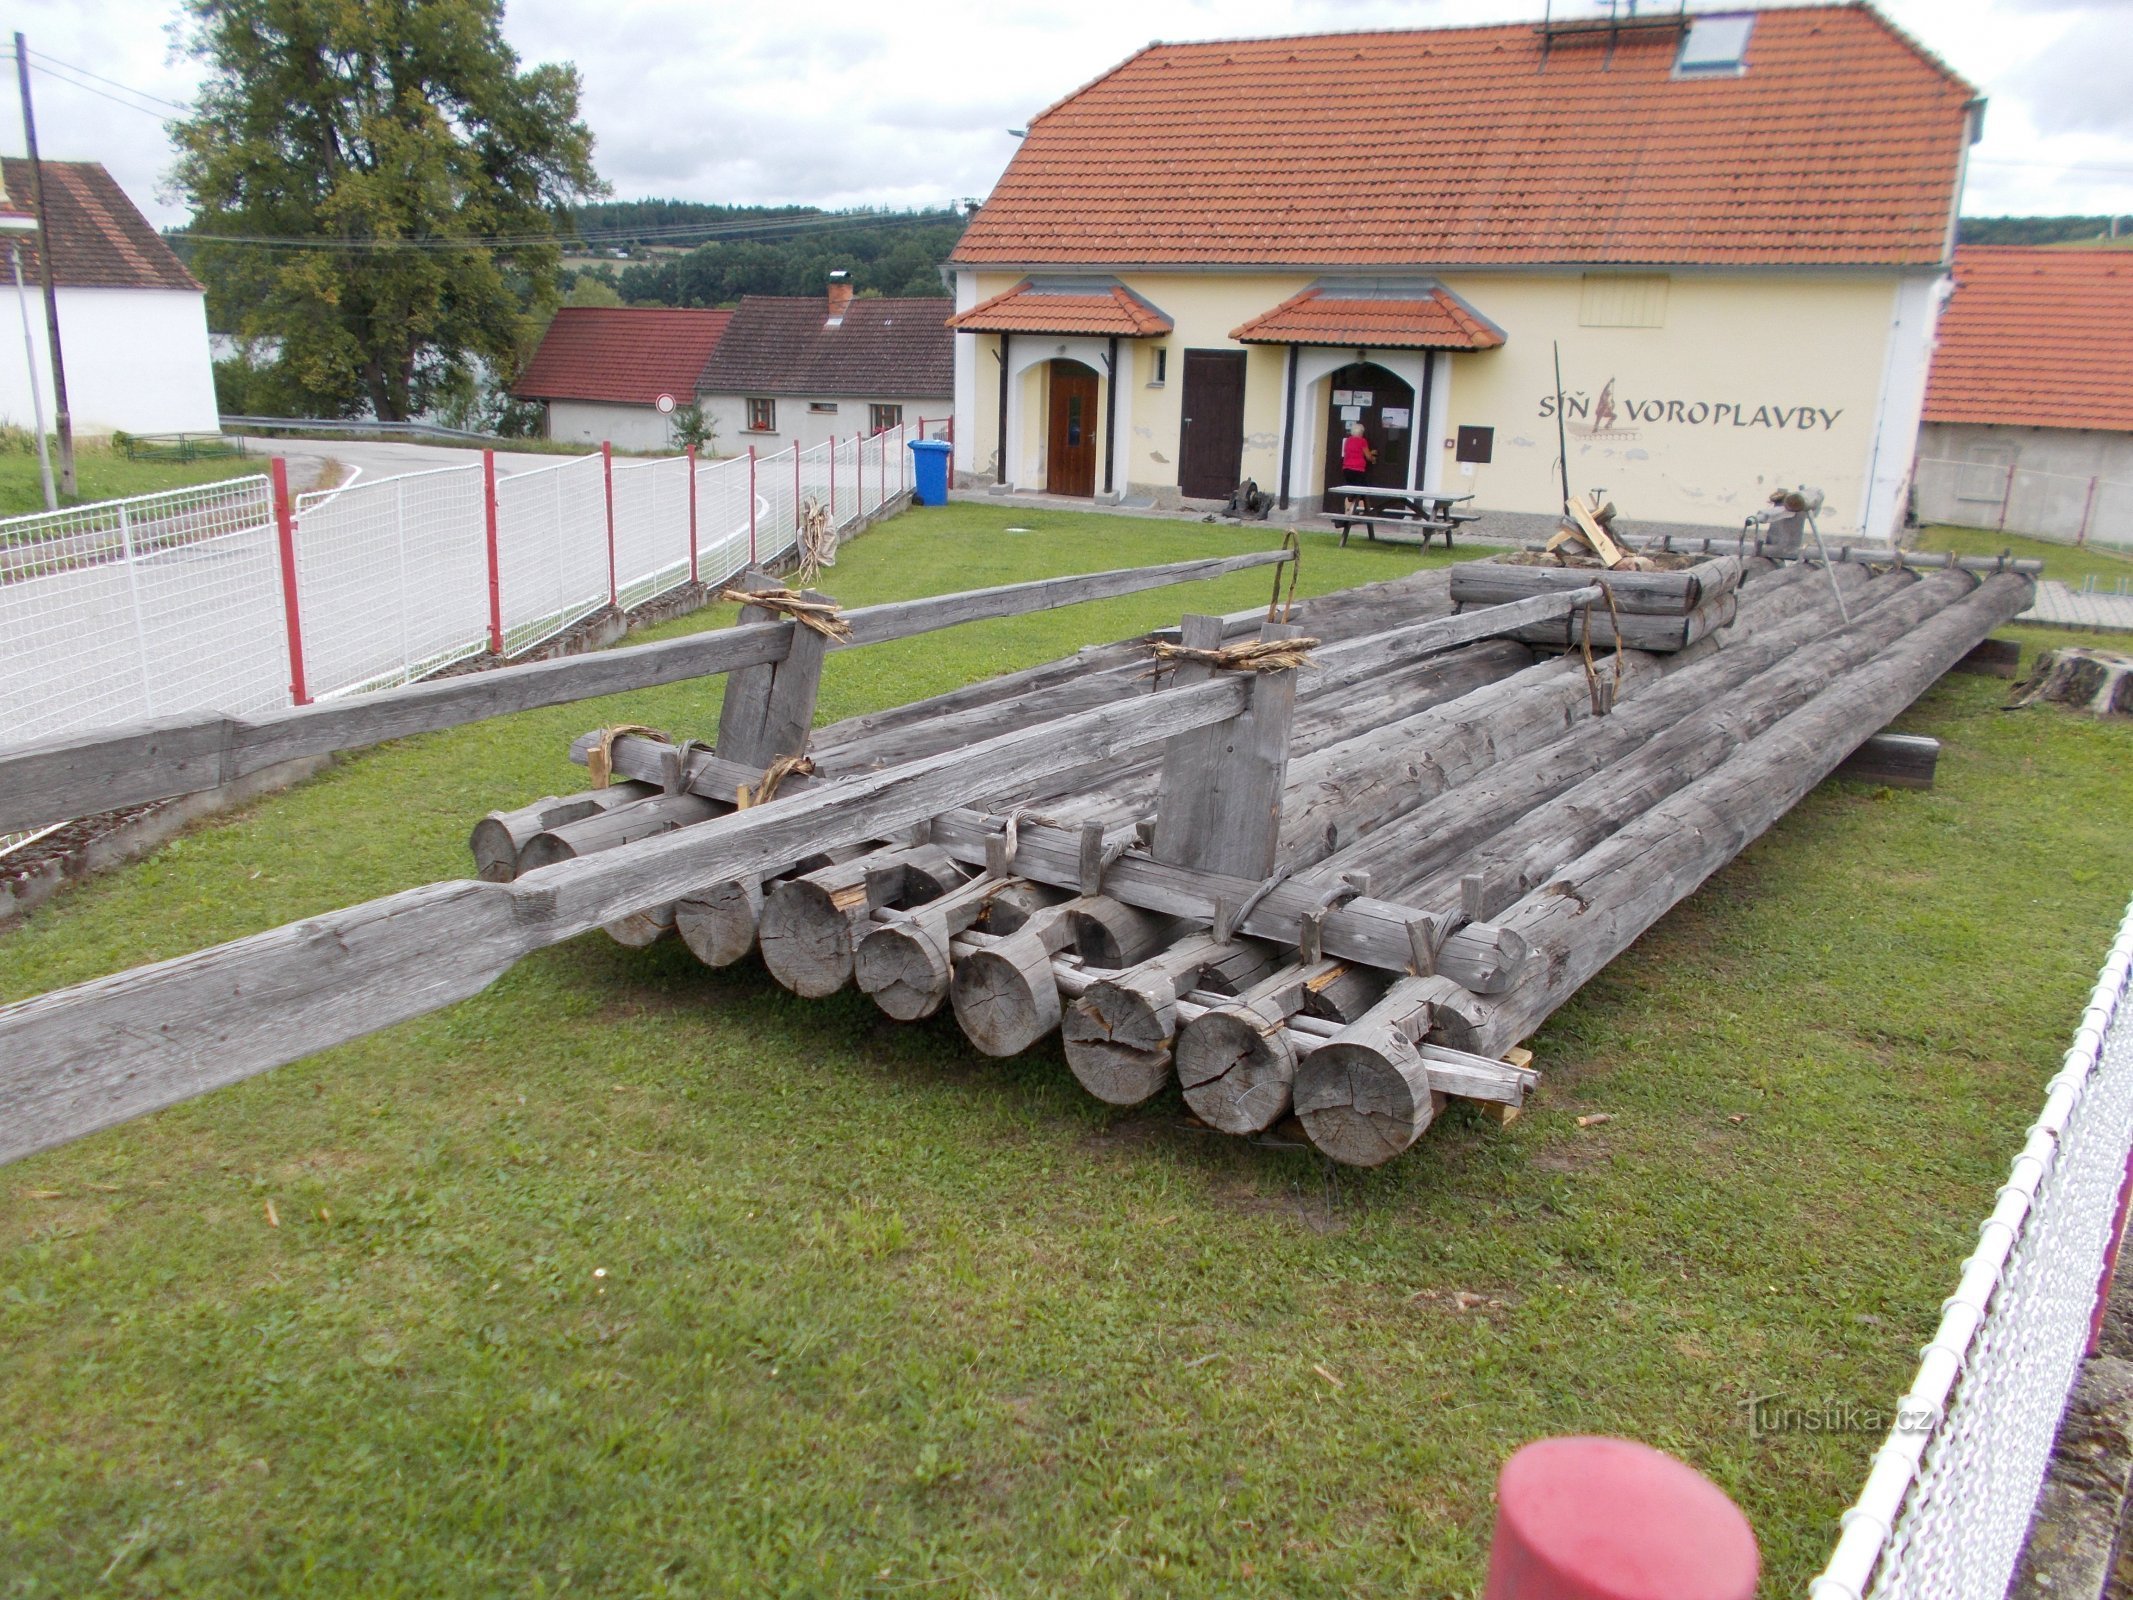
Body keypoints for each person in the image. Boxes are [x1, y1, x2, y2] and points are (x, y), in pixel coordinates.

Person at [1339, 422, 1376, 515]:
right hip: (1358, 470)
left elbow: (1354, 452)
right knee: (1362, 491)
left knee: (1350, 491)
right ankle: (1362, 513)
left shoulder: (1348, 440)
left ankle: (1347, 512)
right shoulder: (1362, 441)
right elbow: (1367, 456)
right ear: (1361, 432)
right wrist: (1373, 458)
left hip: (1347, 469)